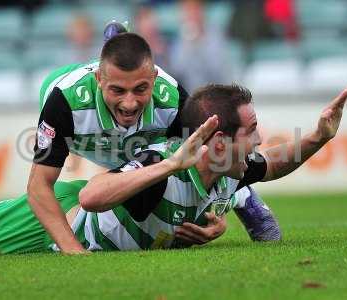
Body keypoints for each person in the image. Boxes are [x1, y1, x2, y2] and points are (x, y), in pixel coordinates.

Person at [0, 84, 347, 254]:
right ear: (218, 141)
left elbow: (271, 165)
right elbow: (90, 196)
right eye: (251, 131)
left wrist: (320, 137)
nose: (260, 138)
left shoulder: (225, 169)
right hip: (56, 220)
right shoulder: (161, 162)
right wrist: (168, 166)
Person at [28, 29, 280, 254]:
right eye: (117, 89)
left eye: (140, 89)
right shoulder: (63, 102)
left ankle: (248, 200)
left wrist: (216, 218)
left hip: (141, 143)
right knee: (148, 165)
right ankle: (115, 43)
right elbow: (39, 185)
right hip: (87, 135)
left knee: (204, 153)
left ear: (154, 79)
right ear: (99, 80)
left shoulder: (172, 100)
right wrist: (73, 250)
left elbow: (215, 156)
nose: (129, 103)